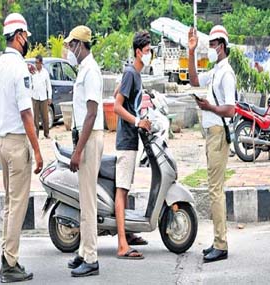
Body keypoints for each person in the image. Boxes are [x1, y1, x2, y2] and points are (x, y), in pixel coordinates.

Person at [0, 12, 43, 283]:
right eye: (26, 37)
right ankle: (9, 264)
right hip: (17, 143)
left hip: (1, 142)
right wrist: (39, 150)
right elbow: (26, 113)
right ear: (20, 36)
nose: (27, 41)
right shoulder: (19, 67)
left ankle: (7, 257)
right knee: (18, 205)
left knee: (10, 203)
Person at [188, 25, 236, 263]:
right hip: (211, 133)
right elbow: (194, 79)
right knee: (214, 188)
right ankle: (218, 240)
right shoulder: (216, 70)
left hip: (218, 132)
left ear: (222, 46)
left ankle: (221, 244)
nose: (211, 48)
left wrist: (210, 108)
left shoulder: (226, 73)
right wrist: (191, 51)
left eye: (214, 44)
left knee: (215, 190)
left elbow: (230, 109)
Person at [64, 25, 105, 277]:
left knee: (88, 202)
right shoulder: (84, 69)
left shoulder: (91, 71)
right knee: (84, 199)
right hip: (86, 138)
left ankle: (91, 257)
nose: (69, 49)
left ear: (80, 44)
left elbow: (91, 114)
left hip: (89, 139)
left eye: (71, 45)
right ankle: (83, 251)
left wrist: (78, 151)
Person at [113, 31, 152, 260]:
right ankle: (121, 245)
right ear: (138, 52)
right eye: (147, 51)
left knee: (126, 188)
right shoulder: (131, 73)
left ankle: (126, 232)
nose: (149, 55)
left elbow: (120, 92)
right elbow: (117, 105)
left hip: (131, 138)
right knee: (122, 190)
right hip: (126, 139)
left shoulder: (133, 73)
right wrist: (137, 120)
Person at [31, 55, 52, 139]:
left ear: (41, 63)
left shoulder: (45, 72)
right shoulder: (32, 72)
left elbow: (48, 86)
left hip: (43, 98)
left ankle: (46, 133)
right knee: (35, 117)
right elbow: (30, 85)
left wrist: (49, 97)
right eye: (35, 62)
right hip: (35, 97)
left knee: (45, 117)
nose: (36, 64)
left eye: (37, 62)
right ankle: (36, 135)